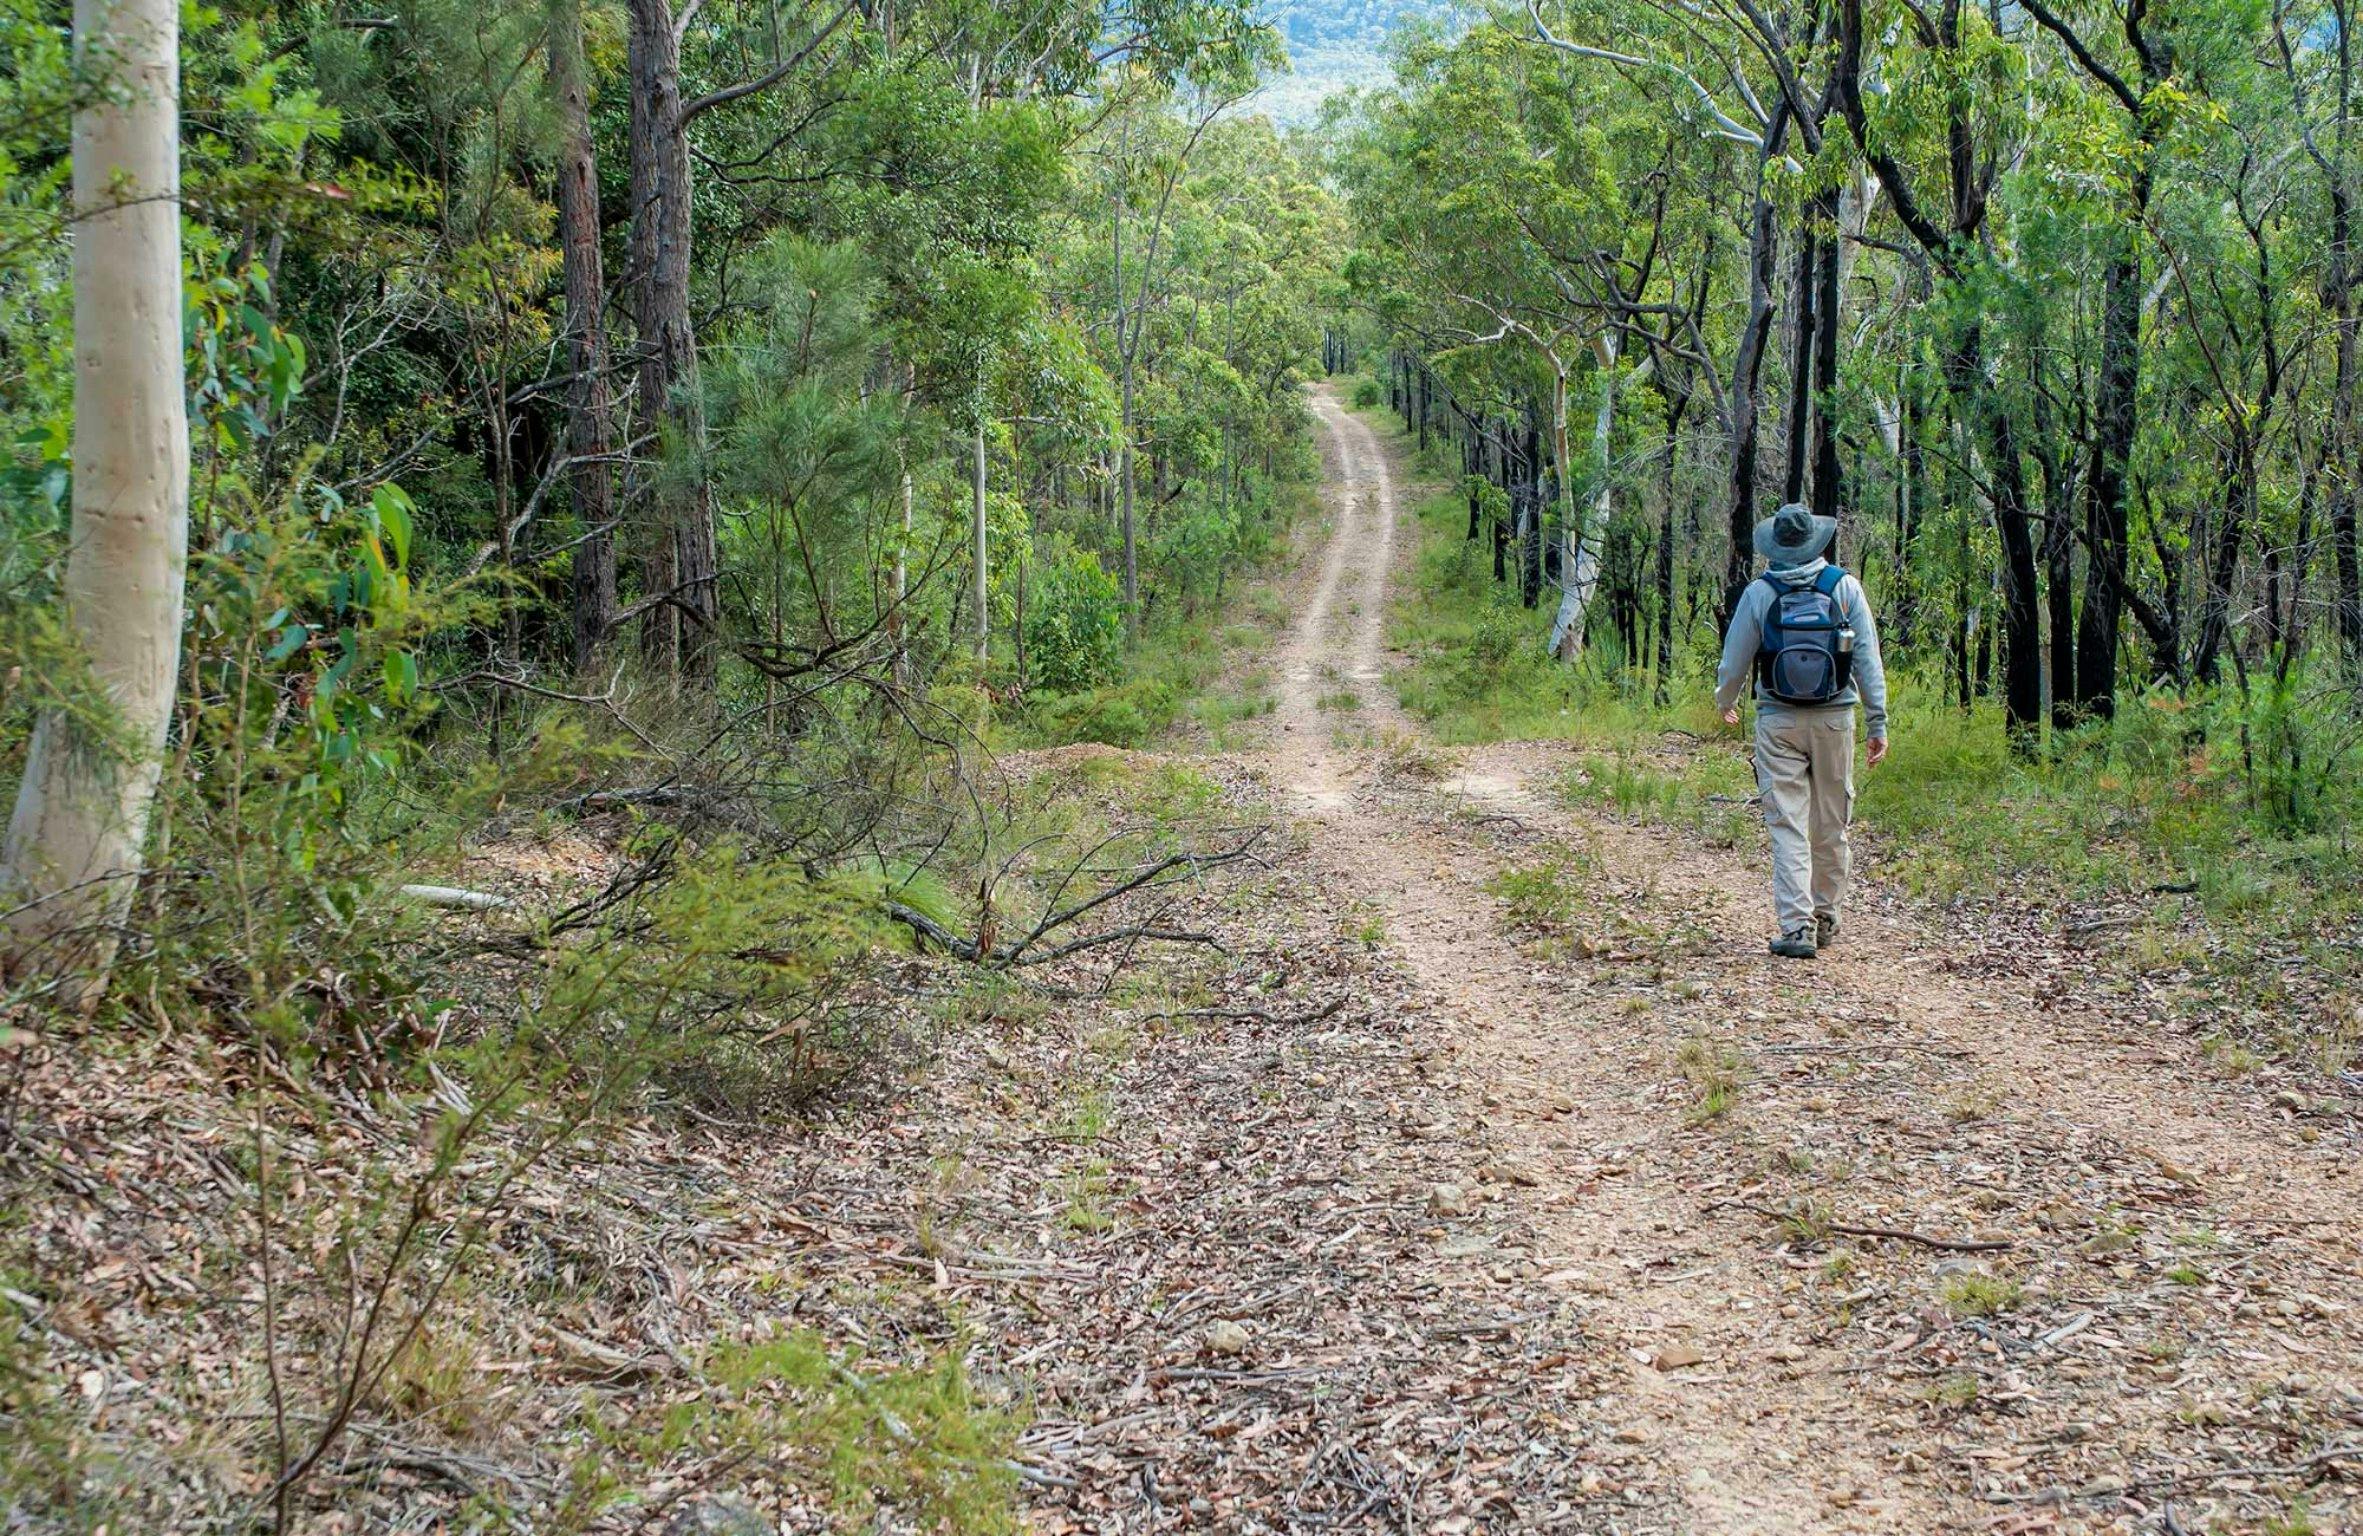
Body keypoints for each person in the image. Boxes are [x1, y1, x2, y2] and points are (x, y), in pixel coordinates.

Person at [1714, 502, 1889, 959]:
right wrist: (1878, 721)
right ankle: (1826, 916)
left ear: (1777, 546)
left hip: (1778, 720)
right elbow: (1868, 660)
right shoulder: (1845, 587)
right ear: (1816, 542)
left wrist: (1725, 701)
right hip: (1835, 719)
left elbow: (1735, 660)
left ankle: (1796, 928)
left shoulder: (1760, 593)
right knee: (1832, 822)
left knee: (1788, 824)